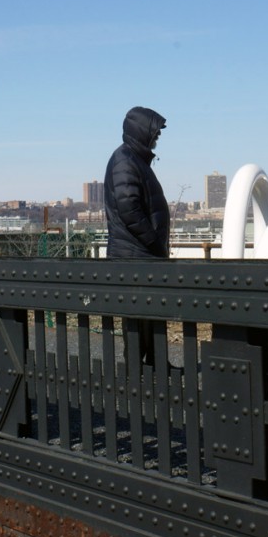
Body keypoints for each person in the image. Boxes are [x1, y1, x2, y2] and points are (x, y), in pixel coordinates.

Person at [104, 106, 170, 367]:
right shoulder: (125, 160)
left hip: (141, 254)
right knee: (137, 312)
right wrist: (154, 241)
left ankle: (155, 360)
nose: (157, 138)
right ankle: (136, 365)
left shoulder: (133, 159)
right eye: (154, 133)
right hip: (134, 255)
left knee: (151, 310)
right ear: (143, 132)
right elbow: (128, 207)